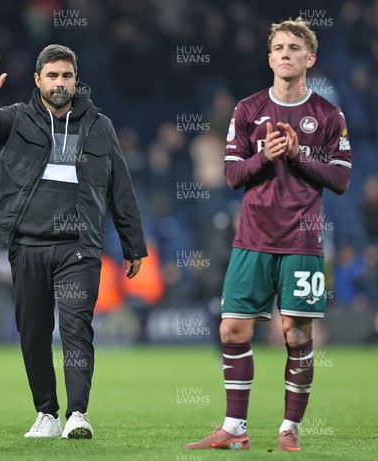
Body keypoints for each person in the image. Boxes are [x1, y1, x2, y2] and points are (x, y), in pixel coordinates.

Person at [185, 18, 351, 451]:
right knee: (233, 331)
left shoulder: (329, 116)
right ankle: (235, 429)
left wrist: (298, 157)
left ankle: (289, 429)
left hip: (302, 242)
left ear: (309, 58)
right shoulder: (247, 110)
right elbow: (232, 175)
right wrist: (267, 158)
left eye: (294, 48)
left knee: (296, 335)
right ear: (269, 56)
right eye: (278, 47)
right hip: (252, 240)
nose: (285, 54)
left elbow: (340, 180)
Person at [0, 45, 147, 438]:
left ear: (76, 80)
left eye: (66, 76)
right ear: (38, 80)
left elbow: (122, 189)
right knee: (32, 332)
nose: (60, 83)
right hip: (28, 245)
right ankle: (46, 414)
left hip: (78, 247)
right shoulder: (18, 119)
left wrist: (133, 245)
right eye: (52, 76)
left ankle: (78, 414)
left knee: (76, 329)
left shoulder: (100, 125)